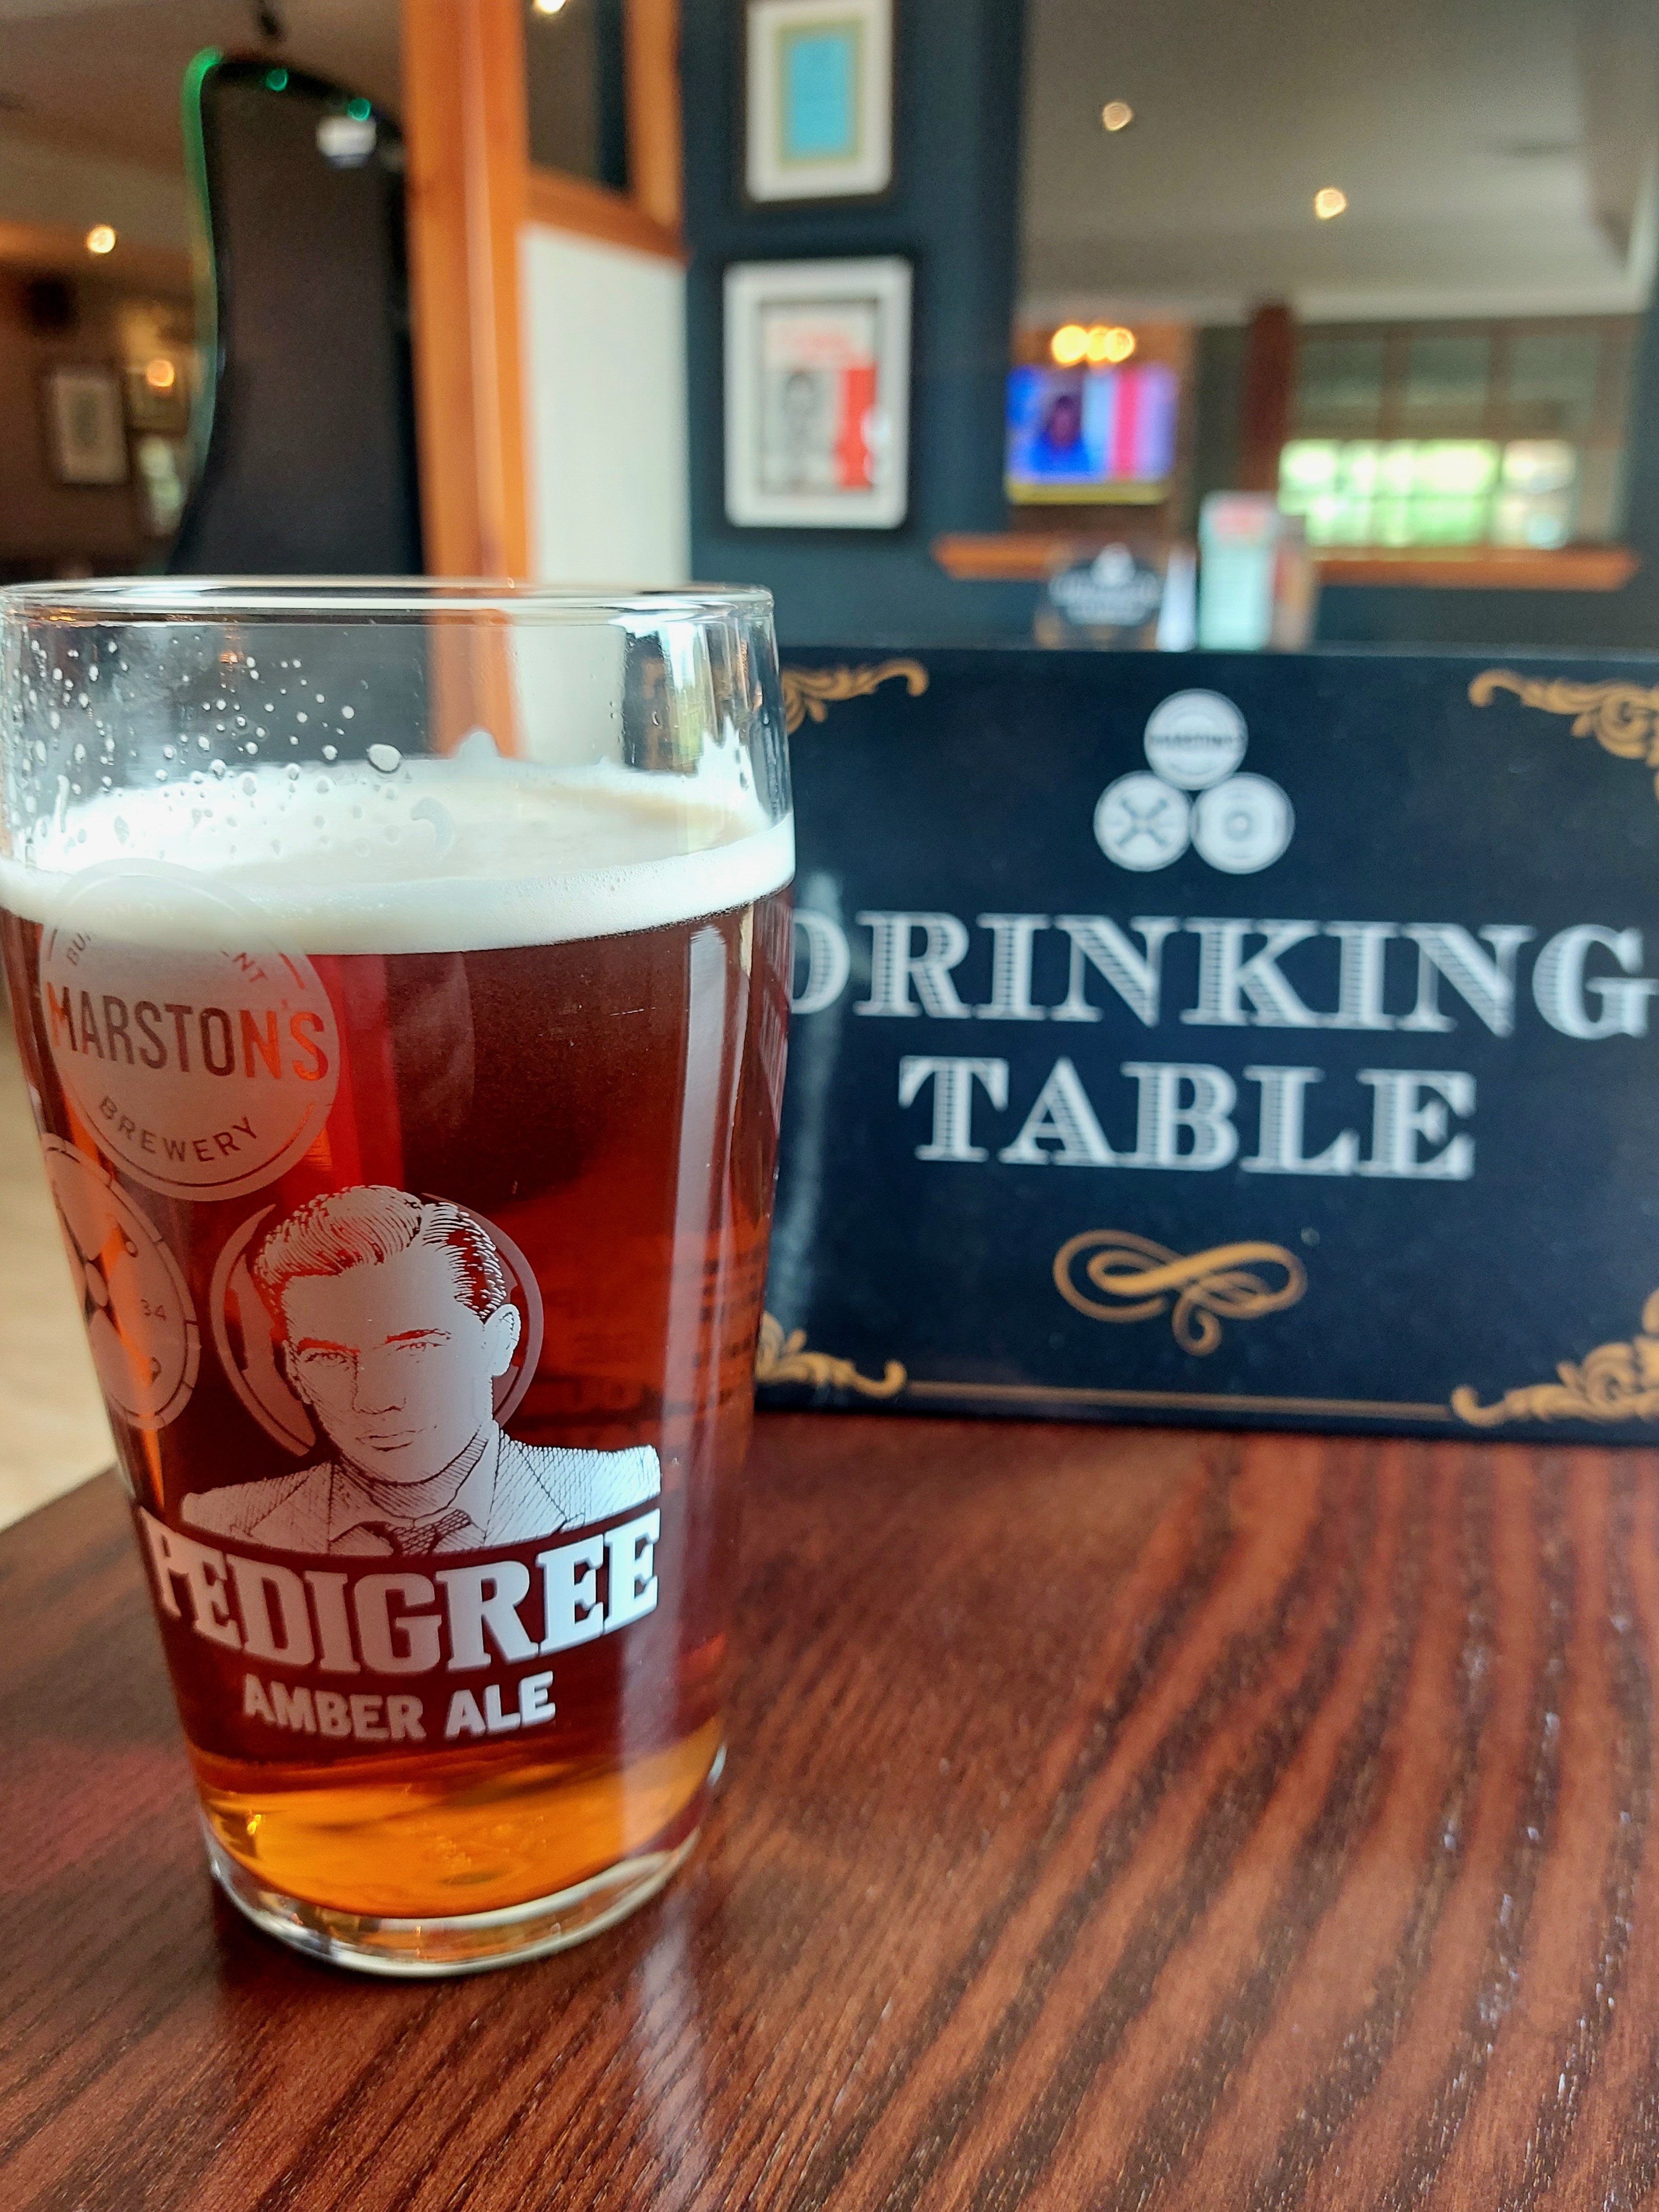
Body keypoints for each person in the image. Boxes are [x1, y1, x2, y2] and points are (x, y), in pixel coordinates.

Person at [182, 1185, 659, 1556]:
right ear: (294, 1371)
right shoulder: (223, 1522)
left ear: (500, 1341)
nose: (376, 1399)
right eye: (329, 1358)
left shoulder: (618, 1489)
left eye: (417, 1348)